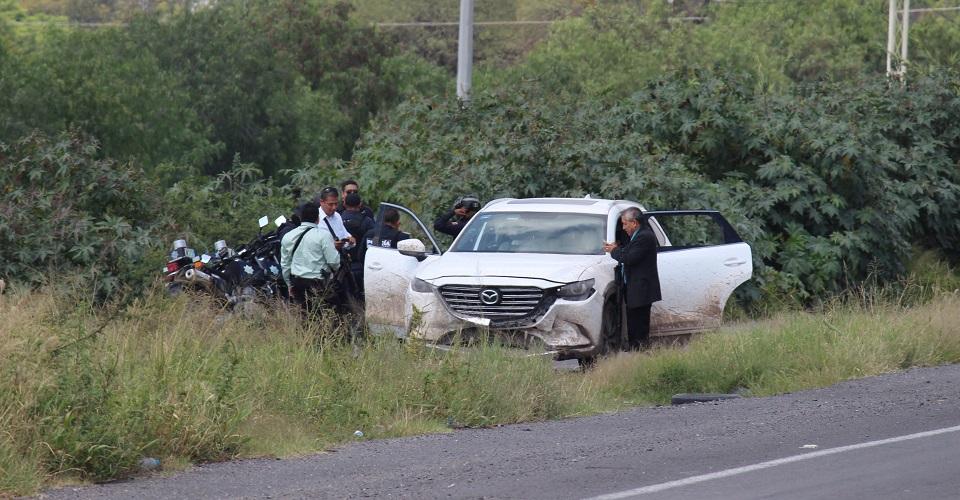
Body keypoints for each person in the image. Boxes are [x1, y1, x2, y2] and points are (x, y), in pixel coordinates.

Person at [602, 207, 661, 350]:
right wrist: (618, 248)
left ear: (634, 223)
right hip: (635, 289)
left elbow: (628, 258)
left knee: (638, 327)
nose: (623, 228)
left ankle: (640, 353)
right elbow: (629, 251)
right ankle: (637, 351)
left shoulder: (645, 236)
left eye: (625, 224)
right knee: (633, 325)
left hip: (641, 289)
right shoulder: (637, 236)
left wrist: (614, 251)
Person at [280, 202, 340, 311]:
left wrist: (289, 284)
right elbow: (334, 262)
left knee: (304, 314)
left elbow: (285, 265)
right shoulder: (324, 236)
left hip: (297, 282)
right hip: (319, 283)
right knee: (323, 314)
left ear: (300, 218)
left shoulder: (288, 237)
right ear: (318, 218)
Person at [340, 192, 375, 291]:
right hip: (363, 266)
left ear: (344, 204)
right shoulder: (367, 221)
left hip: (341, 267)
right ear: (360, 204)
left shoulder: (337, 220)